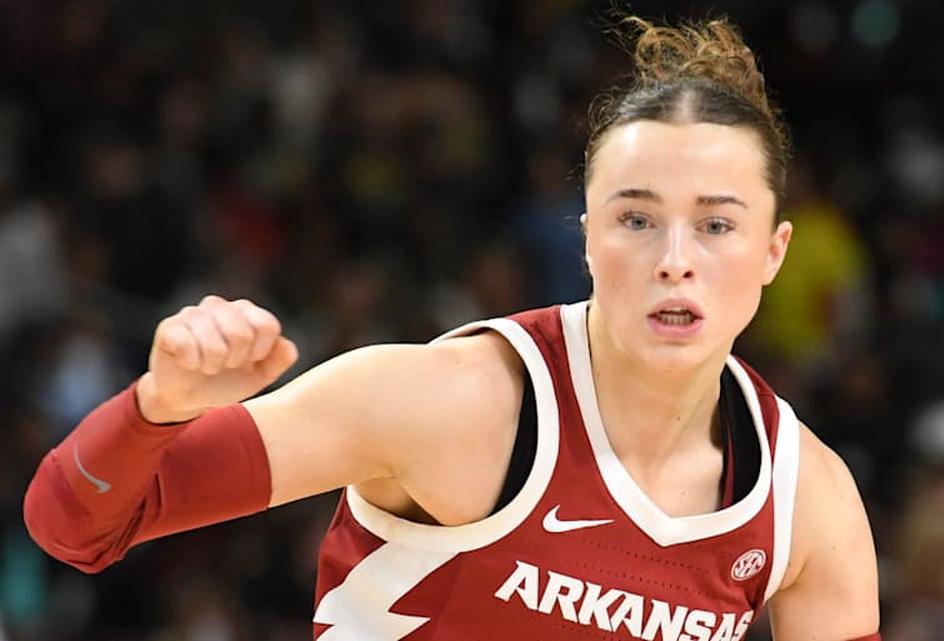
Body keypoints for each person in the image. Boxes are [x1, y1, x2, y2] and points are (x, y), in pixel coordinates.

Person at [23, 16, 880, 641]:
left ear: (775, 252)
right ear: (584, 238)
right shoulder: (452, 404)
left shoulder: (809, 503)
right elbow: (73, 527)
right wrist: (159, 407)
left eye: (717, 225)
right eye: (636, 218)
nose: (675, 259)